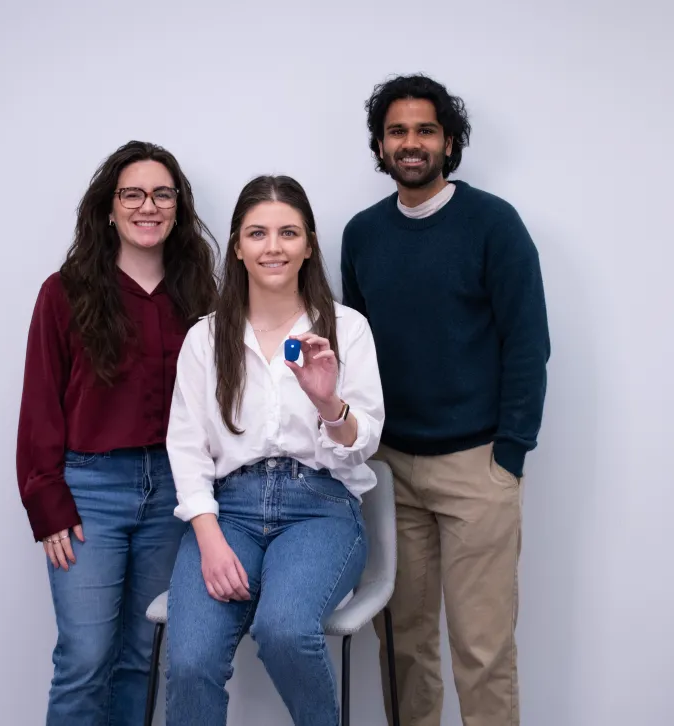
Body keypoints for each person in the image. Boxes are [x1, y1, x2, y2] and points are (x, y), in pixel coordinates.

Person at [341, 74, 551, 726]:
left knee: (481, 649)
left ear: (449, 142)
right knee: (402, 647)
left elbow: (527, 345)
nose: (411, 143)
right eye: (398, 131)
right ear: (380, 145)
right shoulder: (362, 234)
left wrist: (509, 454)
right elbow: (356, 349)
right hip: (391, 469)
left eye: (425, 130)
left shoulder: (494, 225)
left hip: (476, 468)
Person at [161, 175, 385, 726]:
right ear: (237, 246)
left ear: (309, 243)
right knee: (189, 662)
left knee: (283, 629)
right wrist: (209, 539)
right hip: (228, 512)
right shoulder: (206, 338)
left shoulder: (347, 329)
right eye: (257, 233)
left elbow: (366, 442)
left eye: (288, 233)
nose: (273, 247)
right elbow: (186, 447)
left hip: (321, 508)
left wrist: (328, 402)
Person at [15, 140, 218, 726]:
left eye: (162, 193)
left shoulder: (200, 297)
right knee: (84, 657)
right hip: (88, 495)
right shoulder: (66, 292)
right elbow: (40, 402)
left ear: (178, 206)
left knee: (141, 656)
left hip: (174, 497)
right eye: (132, 193)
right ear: (109, 207)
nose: (147, 205)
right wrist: (47, 502)